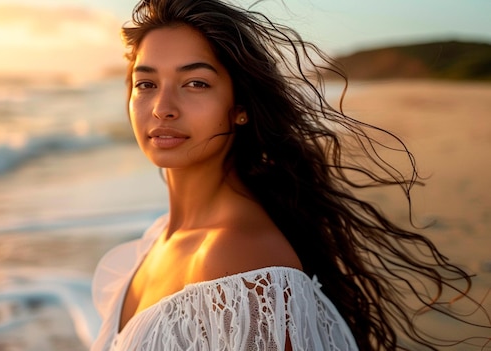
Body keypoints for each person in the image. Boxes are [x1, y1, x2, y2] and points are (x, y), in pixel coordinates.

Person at [91, 0, 490, 350]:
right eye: (146, 83)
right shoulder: (157, 240)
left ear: (240, 106)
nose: (162, 107)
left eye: (195, 83)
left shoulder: (238, 260)